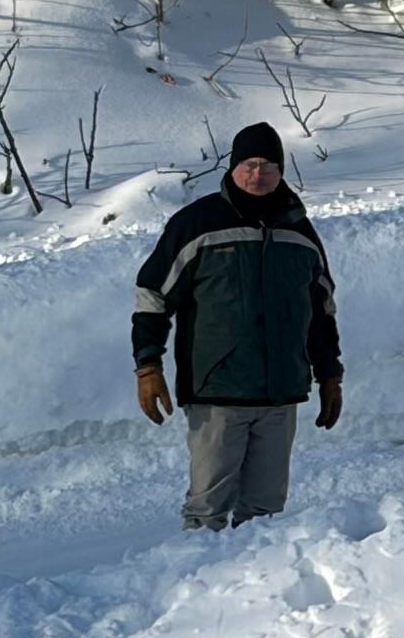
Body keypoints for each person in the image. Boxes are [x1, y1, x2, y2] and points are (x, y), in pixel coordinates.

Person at [131, 122, 344, 530]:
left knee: (265, 513)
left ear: (281, 170)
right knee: (207, 509)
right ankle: (196, 581)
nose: (257, 174)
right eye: (248, 164)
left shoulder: (299, 230)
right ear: (232, 168)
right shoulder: (197, 223)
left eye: (267, 165)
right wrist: (148, 366)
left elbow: (321, 311)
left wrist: (330, 374)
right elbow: (153, 296)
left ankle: (252, 588)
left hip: (280, 395)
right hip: (217, 393)